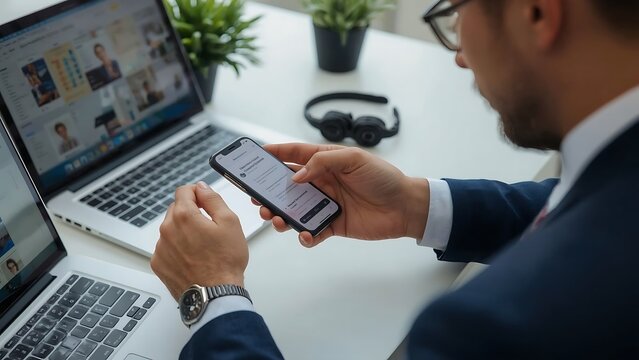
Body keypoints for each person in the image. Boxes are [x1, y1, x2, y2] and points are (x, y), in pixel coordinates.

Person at [151, 0, 639, 358]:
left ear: (537, 13)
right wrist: (412, 205)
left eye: (455, 14)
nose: (459, 57)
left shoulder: (487, 330)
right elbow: (577, 204)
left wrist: (212, 295)